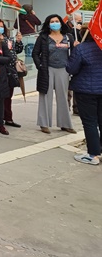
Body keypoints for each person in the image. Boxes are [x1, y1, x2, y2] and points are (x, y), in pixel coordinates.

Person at [32, 14, 76, 135]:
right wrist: (40, 66)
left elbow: (74, 54)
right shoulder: (43, 38)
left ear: (61, 23)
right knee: (45, 96)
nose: (55, 23)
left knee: (63, 96)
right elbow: (35, 53)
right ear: (48, 24)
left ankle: (65, 124)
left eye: (57, 21)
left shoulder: (69, 37)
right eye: (52, 21)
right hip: (47, 69)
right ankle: (44, 123)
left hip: (64, 70)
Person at [66, 25, 102, 165]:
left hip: (85, 90)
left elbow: (71, 68)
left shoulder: (81, 49)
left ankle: (93, 154)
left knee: (90, 122)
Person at [0, 19, 23, 128]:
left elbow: (16, 50)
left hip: (11, 71)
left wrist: (18, 42)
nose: (0, 28)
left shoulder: (8, 38)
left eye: (1, 26)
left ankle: (8, 118)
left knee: (8, 96)